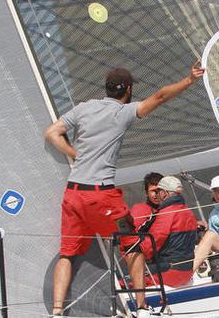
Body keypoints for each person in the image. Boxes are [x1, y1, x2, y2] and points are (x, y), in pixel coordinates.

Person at [43, 60, 204, 317]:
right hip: (101, 197)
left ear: (106, 88)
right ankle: (141, 309)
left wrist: (75, 154)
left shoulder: (84, 108)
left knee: (68, 253)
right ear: (128, 89)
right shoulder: (123, 113)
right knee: (133, 247)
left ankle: (57, 311)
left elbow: (51, 132)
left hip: (73, 195)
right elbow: (160, 96)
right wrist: (190, 79)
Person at [132, 176, 198, 288]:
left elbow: (149, 247)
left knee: (126, 280)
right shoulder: (188, 212)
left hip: (168, 273)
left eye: (158, 191)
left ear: (165, 193)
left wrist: (134, 242)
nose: (157, 195)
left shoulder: (166, 214)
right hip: (187, 272)